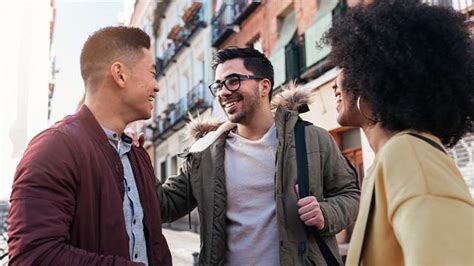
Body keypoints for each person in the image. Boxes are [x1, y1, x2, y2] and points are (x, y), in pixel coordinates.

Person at [156, 47, 360, 265]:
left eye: (233, 80)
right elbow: (164, 206)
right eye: (218, 85)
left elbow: (350, 194)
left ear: (264, 86)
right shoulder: (204, 154)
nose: (223, 92)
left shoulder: (312, 138)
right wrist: (133, 158)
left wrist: (325, 213)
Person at [325, 1, 474, 265]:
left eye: (346, 66)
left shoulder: (408, 154)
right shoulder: (391, 157)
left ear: (375, 74)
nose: (335, 84)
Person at [8, 26, 172, 265]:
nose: (156, 86)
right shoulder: (54, 148)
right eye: (152, 73)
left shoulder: (136, 154)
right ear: (120, 74)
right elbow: (33, 256)